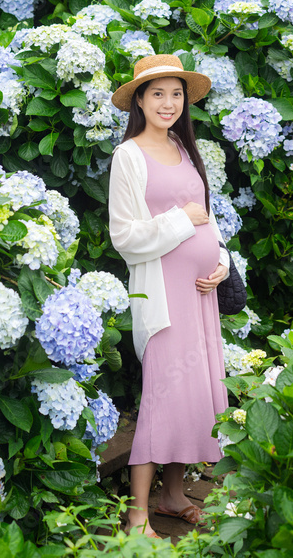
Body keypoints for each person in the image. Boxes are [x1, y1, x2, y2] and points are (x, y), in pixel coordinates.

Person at [108, 52, 230, 539]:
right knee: (162, 397)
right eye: (157, 93)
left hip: (199, 296)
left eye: (176, 93)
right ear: (139, 99)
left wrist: (220, 261)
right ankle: (139, 517)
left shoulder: (182, 146)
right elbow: (125, 236)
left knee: (190, 395)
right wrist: (183, 222)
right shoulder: (129, 155)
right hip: (162, 299)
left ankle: (174, 496)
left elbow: (209, 217)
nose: (168, 102)